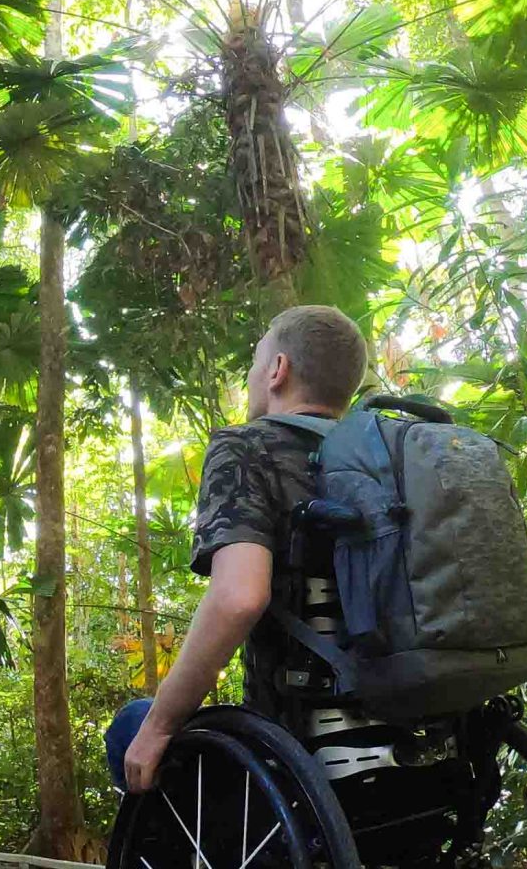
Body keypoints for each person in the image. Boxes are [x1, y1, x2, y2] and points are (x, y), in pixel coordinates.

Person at [107, 305, 369, 794]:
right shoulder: (389, 461)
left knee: (132, 725)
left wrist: (160, 726)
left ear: (278, 370)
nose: (250, 377)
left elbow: (239, 597)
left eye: (254, 363)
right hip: (424, 727)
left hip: (298, 746)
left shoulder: (246, 447)